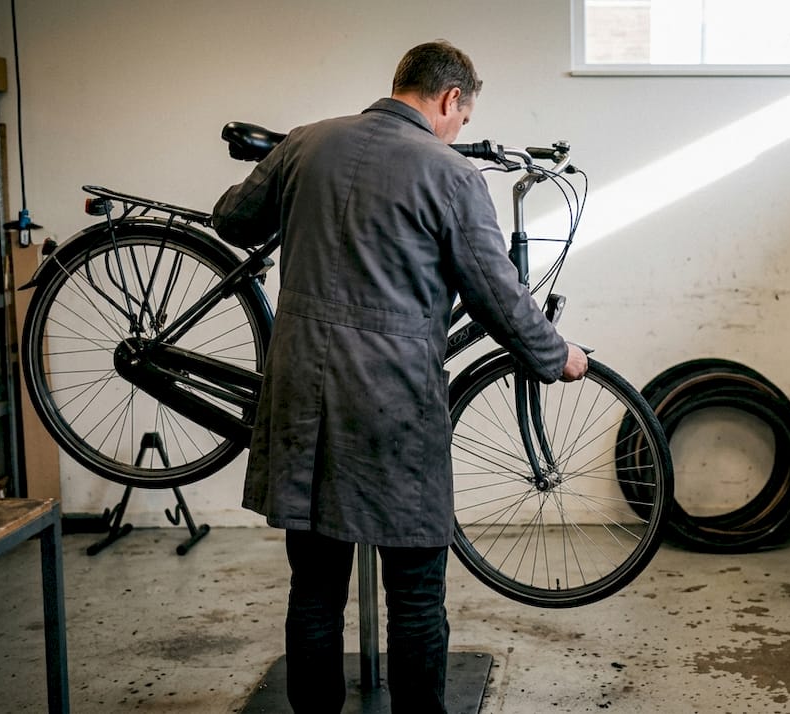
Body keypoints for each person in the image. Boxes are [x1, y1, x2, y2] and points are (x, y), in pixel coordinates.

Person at [212, 40, 588, 714]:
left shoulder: (305, 143)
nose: (458, 132)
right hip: (389, 404)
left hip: (298, 392)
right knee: (415, 592)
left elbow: (232, 219)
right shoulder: (451, 175)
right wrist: (555, 354)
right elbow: (495, 295)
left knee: (315, 587)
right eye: (462, 120)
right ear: (450, 100)